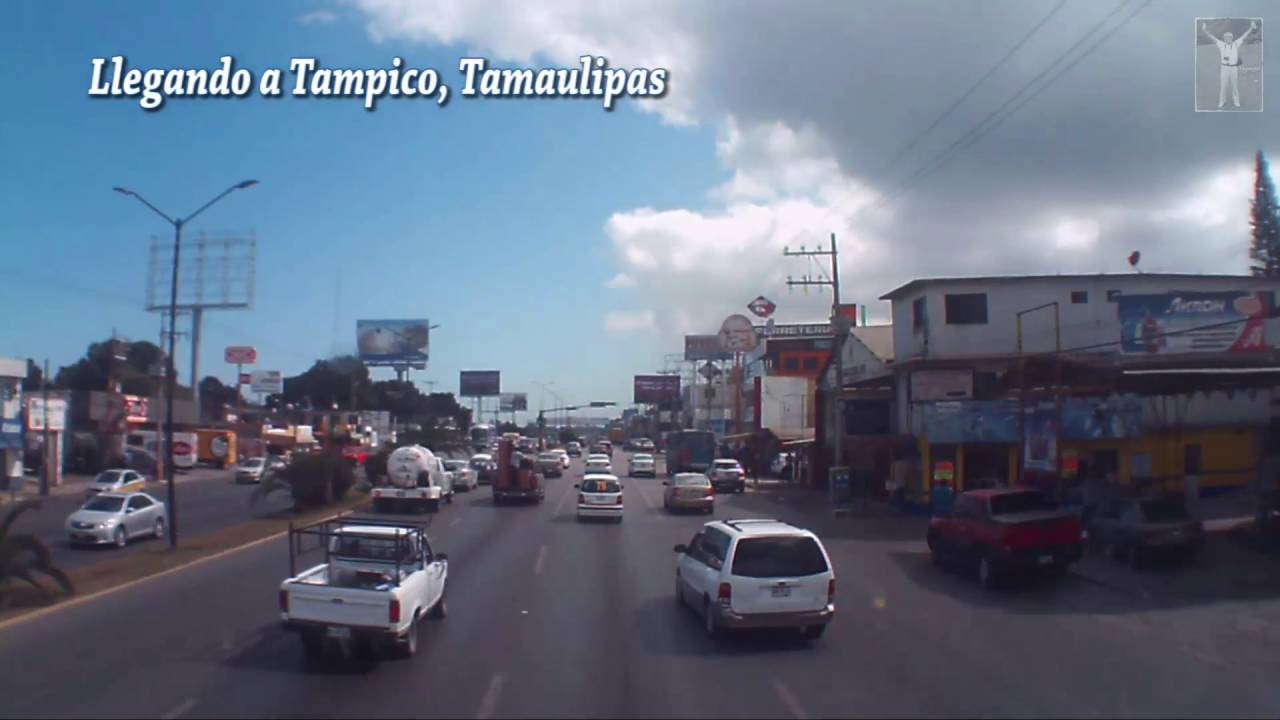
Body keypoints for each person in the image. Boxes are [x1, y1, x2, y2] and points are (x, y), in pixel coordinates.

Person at [1203, 20, 1256, 109]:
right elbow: (1212, 37)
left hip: (1234, 68)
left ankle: (1236, 101)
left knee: (1235, 86)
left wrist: (1251, 27)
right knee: (1223, 85)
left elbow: (1244, 35)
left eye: (1229, 37)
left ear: (1232, 38)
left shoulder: (1236, 43)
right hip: (1224, 68)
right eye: (1226, 37)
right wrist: (1205, 30)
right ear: (1224, 38)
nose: (1227, 39)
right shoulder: (1221, 44)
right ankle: (1222, 101)